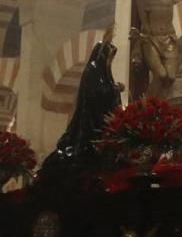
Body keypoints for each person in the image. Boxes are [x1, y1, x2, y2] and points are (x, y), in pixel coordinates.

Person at [41, 26, 123, 174]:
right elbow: (96, 94)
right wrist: (115, 90)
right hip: (91, 121)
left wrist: (115, 89)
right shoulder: (92, 71)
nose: (110, 61)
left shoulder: (104, 73)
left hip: (102, 122)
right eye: (110, 57)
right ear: (102, 55)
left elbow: (106, 90)